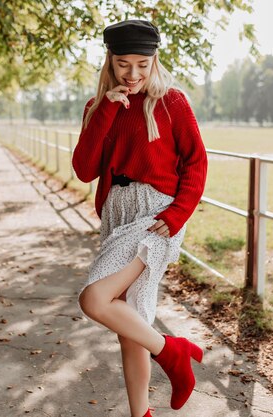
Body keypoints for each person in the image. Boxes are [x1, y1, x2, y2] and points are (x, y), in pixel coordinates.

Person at [72, 19, 208, 417]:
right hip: (116, 215)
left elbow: (196, 163)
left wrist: (179, 213)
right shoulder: (97, 108)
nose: (133, 74)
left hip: (157, 218)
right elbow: (84, 169)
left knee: (95, 298)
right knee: (132, 327)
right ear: (109, 62)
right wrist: (106, 112)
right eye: (123, 65)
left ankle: (175, 353)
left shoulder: (172, 102)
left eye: (142, 65)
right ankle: (141, 413)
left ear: (155, 61)